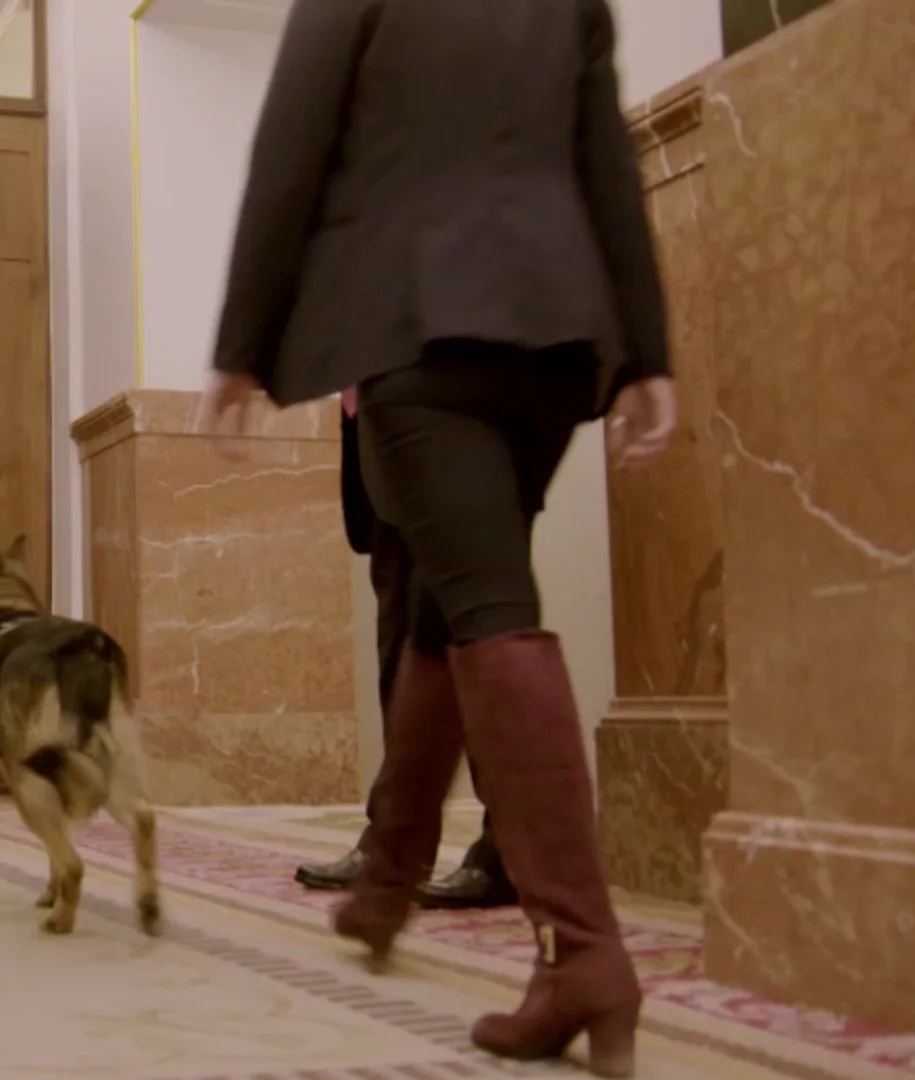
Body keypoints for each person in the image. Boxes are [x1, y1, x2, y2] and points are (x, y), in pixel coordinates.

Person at [199, 1, 677, 1075]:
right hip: (557, 346)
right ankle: (389, 881)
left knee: (487, 607)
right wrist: (646, 352)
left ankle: (584, 954)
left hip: (414, 329)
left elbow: (291, 154)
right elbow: (607, 166)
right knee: (443, 604)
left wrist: (241, 344)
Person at [295, 401, 517, 912]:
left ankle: (506, 848)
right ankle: (393, 842)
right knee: (400, 643)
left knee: (478, 639)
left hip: (453, 419)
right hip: (384, 441)